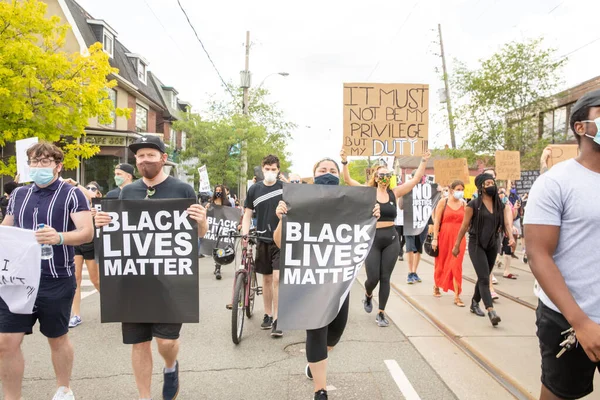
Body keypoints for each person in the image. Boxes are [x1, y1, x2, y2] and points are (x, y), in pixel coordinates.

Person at [94, 135, 208, 400]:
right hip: (134, 278)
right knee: (139, 342)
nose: (145, 160)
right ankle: (144, 396)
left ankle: (170, 366)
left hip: (170, 279)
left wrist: (202, 221)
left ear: (163, 159)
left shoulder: (182, 190)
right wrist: (102, 223)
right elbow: (120, 232)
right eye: (140, 155)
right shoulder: (128, 191)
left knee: (166, 342)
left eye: (150, 155)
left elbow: (197, 234)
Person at [273, 157, 380, 400]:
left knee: (335, 333)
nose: (328, 173)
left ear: (339, 176)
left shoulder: (352, 202)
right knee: (316, 331)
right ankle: (320, 391)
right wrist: (282, 219)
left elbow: (364, 239)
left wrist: (370, 216)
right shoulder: (298, 200)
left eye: (332, 170)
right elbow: (280, 242)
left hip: (338, 280)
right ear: (314, 173)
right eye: (323, 169)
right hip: (310, 279)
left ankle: (316, 364)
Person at [0, 142, 93, 400]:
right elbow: (7, 230)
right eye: (34, 162)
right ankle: (11, 397)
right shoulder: (19, 195)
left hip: (55, 277)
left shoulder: (73, 194)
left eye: (45, 162)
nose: (38, 167)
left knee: (57, 338)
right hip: (17, 279)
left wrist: (59, 237)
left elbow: (87, 232)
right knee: (6, 341)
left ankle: (64, 388)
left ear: (58, 166)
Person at [525, 90, 600, 400]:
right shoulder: (555, 182)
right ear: (580, 127)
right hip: (568, 320)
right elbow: (538, 254)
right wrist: (581, 323)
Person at [341, 149, 431, 326]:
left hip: (391, 239)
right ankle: (368, 295)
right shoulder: (367, 192)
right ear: (375, 176)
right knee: (372, 278)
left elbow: (413, 180)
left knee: (385, 277)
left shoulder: (394, 192)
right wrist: (345, 162)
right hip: (373, 239)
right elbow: (348, 180)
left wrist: (424, 161)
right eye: (381, 174)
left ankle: (381, 312)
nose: (384, 177)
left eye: (387, 175)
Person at [452, 173, 514, 327]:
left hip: (493, 244)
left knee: (483, 276)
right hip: (476, 244)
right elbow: (464, 226)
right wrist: (457, 245)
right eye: (487, 183)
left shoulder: (499, 204)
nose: (491, 185)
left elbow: (506, 223)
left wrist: (511, 237)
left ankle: (474, 302)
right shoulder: (472, 205)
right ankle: (491, 311)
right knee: (485, 278)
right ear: (481, 187)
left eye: (492, 182)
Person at [241, 154, 284, 337]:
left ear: (278, 170)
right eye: (267, 169)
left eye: (274, 169)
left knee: (276, 278)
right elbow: (248, 214)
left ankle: (277, 318)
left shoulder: (284, 188)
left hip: (281, 239)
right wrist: (245, 232)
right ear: (262, 169)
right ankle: (267, 314)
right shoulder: (254, 190)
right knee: (266, 279)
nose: (270, 172)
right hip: (262, 238)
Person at [68, 181, 103, 328]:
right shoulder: (76, 203)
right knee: (75, 279)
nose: (89, 190)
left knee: (96, 280)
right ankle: (75, 315)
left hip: (91, 245)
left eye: (93, 188)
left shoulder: (98, 205)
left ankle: (115, 303)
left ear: (98, 193)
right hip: (76, 244)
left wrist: (76, 184)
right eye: (87, 187)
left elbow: (90, 197)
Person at [432, 180, 467, 306]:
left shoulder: (464, 204)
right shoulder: (443, 202)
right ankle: (436, 285)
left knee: (456, 265)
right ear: (451, 190)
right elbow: (437, 221)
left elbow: (466, 223)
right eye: (458, 189)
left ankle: (457, 295)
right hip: (444, 237)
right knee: (441, 263)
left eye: (462, 189)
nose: (460, 191)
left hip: (459, 239)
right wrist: (435, 238)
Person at [403, 169, 431, 284]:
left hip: (422, 222)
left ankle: (415, 271)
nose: (420, 179)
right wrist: (404, 195)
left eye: (421, 177)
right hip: (410, 222)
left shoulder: (428, 190)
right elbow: (400, 206)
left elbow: (431, 205)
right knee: (409, 248)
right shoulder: (407, 189)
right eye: (417, 177)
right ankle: (410, 272)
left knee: (418, 249)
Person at [209, 184, 231, 280]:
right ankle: (216, 264)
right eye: (216, 190)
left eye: (220, 190)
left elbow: (230, 216)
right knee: (215, 248)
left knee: (220, 248)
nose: (218, 192)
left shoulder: (227, 203)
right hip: (213, 227)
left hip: (223, 228)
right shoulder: (211, 202)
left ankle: (218, 268)